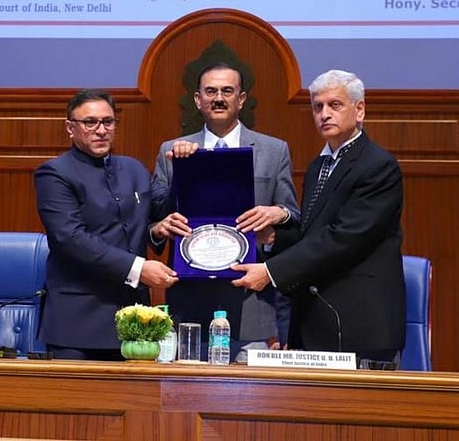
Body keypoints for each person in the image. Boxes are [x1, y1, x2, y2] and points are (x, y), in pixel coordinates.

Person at [232, 69, 405, 365]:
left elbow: (342, 238)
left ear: (359, 109)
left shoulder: (379, 166)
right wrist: (274, 236)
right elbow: (312, 234)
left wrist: (270, 271)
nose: (324, 114)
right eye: (317, 106)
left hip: (360, 328)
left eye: (334, 105)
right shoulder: (317, 167)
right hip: (316, 323)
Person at [152, 63, 299, 362]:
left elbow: (293, 217)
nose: (219, 98)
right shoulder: (172, 151)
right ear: (197, 99)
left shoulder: (274, 150)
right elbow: (155, 216)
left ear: (241, 99)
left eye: (227, 91)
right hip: (189, 307)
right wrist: (180, 173)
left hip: (251, 306)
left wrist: (277, 214)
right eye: (211, 91)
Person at [34, 89, 179, 361]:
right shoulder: (54, 173)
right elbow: (71, 239)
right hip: (77, 325)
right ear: (70, 128)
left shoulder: (134, 169)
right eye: (90, 123)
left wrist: (185, 166)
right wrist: (138, 268)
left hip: (135, 324)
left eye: (108, 122)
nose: (101, 130)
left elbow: (168, 206)